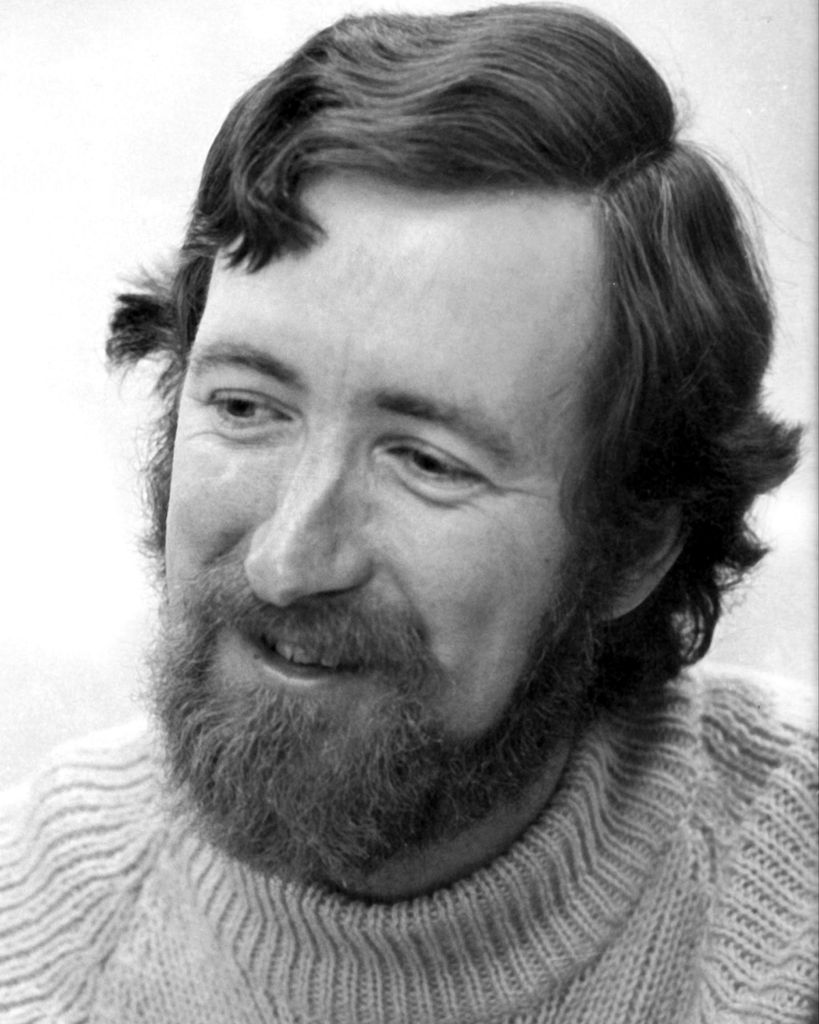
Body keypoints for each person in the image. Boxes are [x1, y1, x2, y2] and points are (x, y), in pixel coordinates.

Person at [0, 4, 815, 1021]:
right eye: (246, 408)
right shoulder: (28, 934)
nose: (287, 560)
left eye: (427, 462)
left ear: (635, 544)